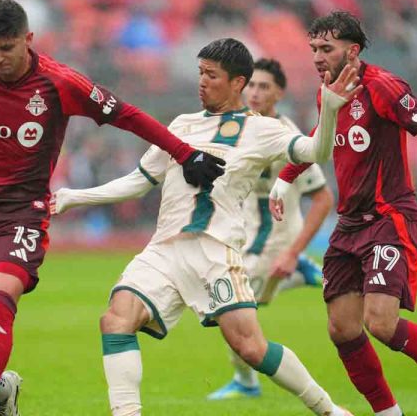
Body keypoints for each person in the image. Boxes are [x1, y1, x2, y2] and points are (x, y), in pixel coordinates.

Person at [0, 0, 225, 416]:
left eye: (6, 48)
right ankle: (2, 389)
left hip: (20, 215)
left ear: (28, 40)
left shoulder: (58, 83)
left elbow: (125, 114)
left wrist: (184, 153)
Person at [52, 38, 361, 415]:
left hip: (215, 252)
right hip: (165, 250)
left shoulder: (263, 130)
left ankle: (329, 409)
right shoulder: (182, 124)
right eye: (200, 72)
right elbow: (139, 181)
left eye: (211, 75)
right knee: (116, 319)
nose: (202, 81)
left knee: (251, 348)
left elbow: (318, 152)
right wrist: (74, 197)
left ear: (237, 83)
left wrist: (329, 111)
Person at [269, 12, 417, 416]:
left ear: (352, 51)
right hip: (349, 223)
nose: (317, 57)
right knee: (342, 328)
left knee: (381, 323)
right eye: (313, 49)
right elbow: (320, 140)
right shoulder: (326, 93)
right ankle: (389, 413)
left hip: (389, 218)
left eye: (326, 49)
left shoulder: (383, 87)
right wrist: (285, 179)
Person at [206, 58, 335, 400]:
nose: (255, 92)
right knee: (229, 304)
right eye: (251, 85)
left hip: (275, 241)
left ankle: (246, 382)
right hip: (246, 237)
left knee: (227, 302)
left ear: (279, 93)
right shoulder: (241, 125)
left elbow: (323, 198)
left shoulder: (287, 138)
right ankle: (298, 273)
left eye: (264, 87)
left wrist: (291, 251)